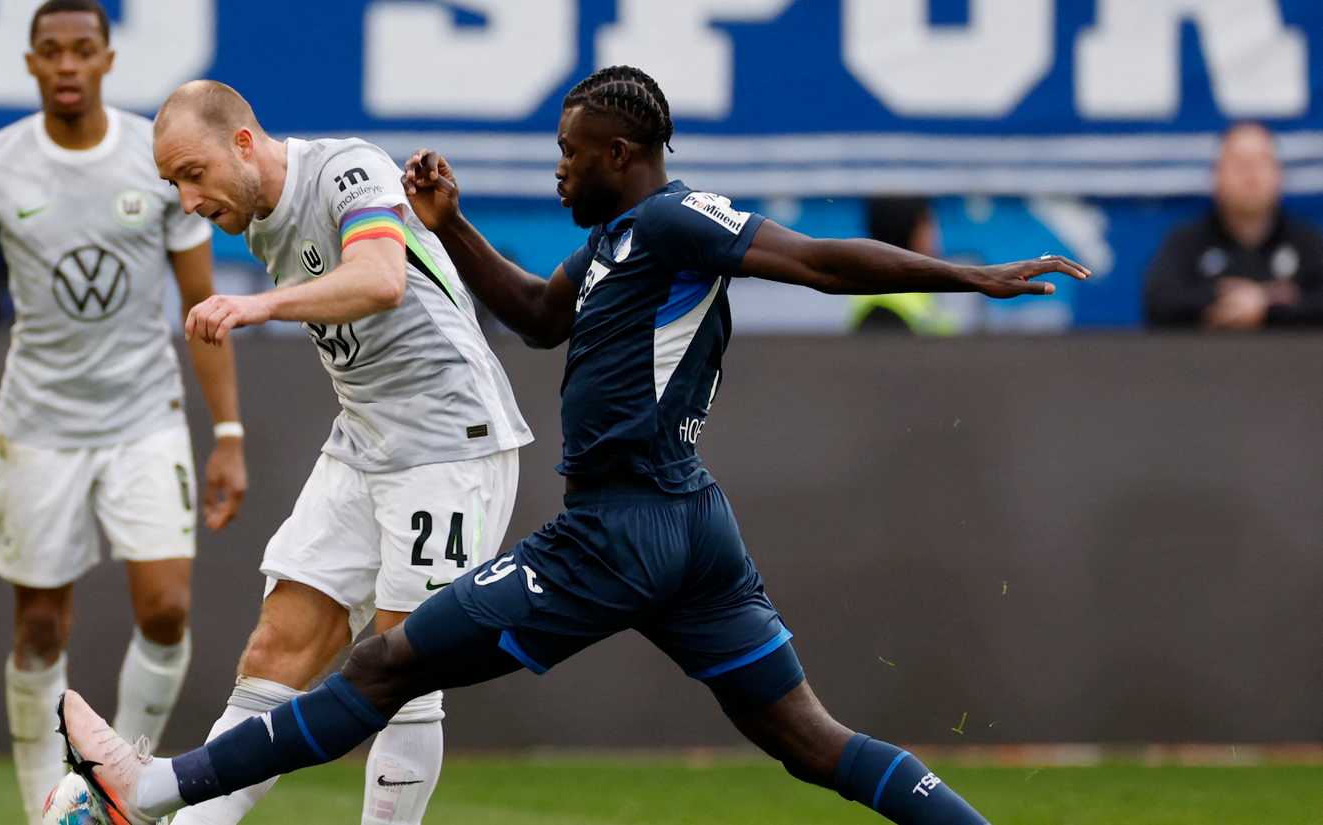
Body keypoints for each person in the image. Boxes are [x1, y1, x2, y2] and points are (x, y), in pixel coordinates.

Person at [56, 66, 1086, 825]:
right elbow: (538, 319)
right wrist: (452, 229)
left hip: (613, 532)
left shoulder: (683, 222)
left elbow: (817, 261)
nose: (557, 170)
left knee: (383, 666)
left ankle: (151, 789)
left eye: (570, 153)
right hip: (690, 530)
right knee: (811, 743)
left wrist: (970, 277)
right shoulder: (609, 248)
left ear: (622, 157)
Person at [132, 78, 532, 825]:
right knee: (274, 651)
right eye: (172, 184)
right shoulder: (252, 219)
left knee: (406, 667)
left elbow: (381, 279)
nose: (188, 199)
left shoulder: (349, 169)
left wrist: (258, 304)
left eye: (193, 173)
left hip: (450, 441)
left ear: (243, 143)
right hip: (363, 441)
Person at [0, 3, 247, 823]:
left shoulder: (153, 157)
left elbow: (202, 303)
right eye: (51, 51)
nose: (66, 64)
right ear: (30, 63)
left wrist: (228, 432)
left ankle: (109, 786)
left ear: (106, 59)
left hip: (144, 417)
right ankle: (45, 809)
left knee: (165, 609)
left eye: (82, 50)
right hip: (39, 425)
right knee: (41, 627)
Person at [1145, 122, 1323, 329]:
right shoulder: (1187, 242)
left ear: (1279, 174)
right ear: (1216, 175)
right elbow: (1159, 302)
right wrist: (1221, 296)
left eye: (1260, 163)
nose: (1250, 176)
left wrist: (1267, 307)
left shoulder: (1308, 243)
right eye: (1239, 164)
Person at [850, 197, 953, 335]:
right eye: (928, 225)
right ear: (909, 232)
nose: (936, 234)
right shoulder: (882, 310)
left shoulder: (914, 290)